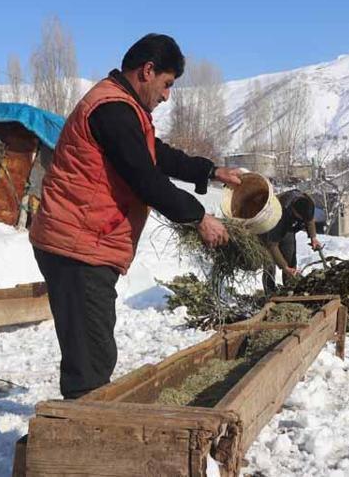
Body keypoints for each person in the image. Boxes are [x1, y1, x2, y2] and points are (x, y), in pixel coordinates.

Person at [29, 33, 242, 399]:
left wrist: (209, 171)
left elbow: (155, 154)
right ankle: (83, 430)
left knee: (92, 353)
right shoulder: (111, 110)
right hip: (78, 247)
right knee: (90, 365)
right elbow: (146, 178)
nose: (166, 95)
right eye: (167, 84)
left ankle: (87, 421)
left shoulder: (121, 108)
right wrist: (199, 218)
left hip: (85, 243)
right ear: (147, 71)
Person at [260, 189, 322, 295]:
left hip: (288, 229)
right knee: (270, 264)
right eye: (301, 218)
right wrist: (284, 267)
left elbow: (309, 219)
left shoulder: (307, 203)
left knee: (291, 260)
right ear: (294, 211)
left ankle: (289, 289)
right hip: (267, 229)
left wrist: (313, 237)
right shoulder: (278, 212)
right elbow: (272, 245)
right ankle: (270, 293)